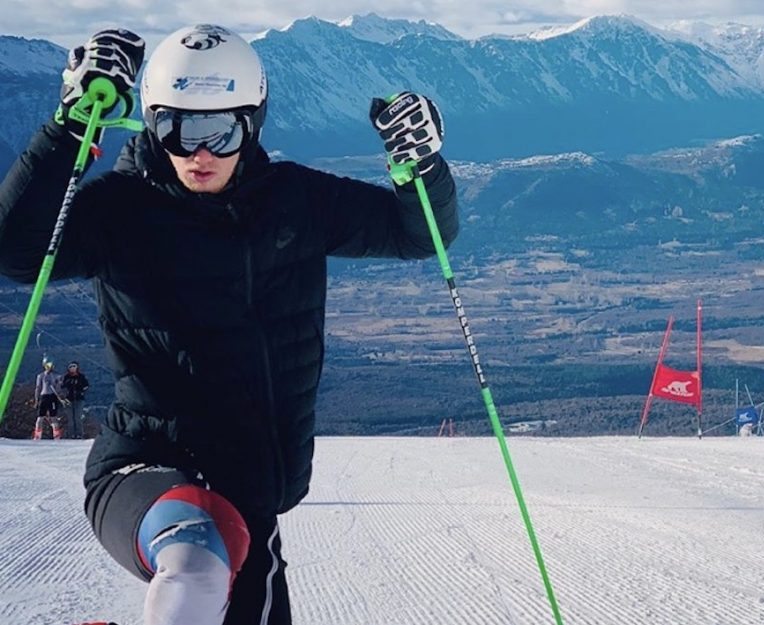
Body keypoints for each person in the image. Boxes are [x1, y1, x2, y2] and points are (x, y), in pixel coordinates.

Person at [0, 24, 457, 625]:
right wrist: (69, 124)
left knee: (229, 558)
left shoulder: (297, 201)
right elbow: (15, 251)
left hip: (253, 483)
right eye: (176, 129)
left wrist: (419, 169)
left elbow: (419, 233)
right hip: (142, 464)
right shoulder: (118, 210)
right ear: (152, 123)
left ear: (253, 122)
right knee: (196, 563)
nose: (199, 152)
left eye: (221, 129)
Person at [34, 358, 68, 440]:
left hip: (52, 397)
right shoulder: (41, 376)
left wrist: (59, 389)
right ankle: (37, 434)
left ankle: (56, 435)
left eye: (51, 365)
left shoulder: (56, 376)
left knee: (53, 416)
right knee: (40, 417)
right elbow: (38, 388)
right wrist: (36, 399)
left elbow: (59, 388)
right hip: (43, 397)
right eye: (48, 365)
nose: (50, 367)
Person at [61, 361, 91, 439]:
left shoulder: (81, 377)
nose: (72, 368)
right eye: (71, 367)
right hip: (68, 399)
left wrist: (81, 391)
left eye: (74, 366)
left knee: (78, 417)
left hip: (79, 399)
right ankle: (71, 435)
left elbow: (86, 386)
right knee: (70, 418)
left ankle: (79, 434)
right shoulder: (66, 377)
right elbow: (62, 387)